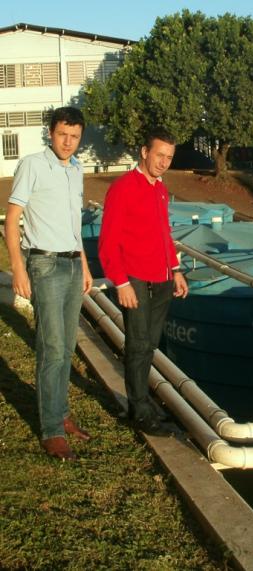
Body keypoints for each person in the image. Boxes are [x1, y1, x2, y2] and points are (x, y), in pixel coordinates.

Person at [5, 106, 94, 461]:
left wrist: (85, 265)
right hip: (44, 263)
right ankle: (51, 431)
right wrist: (18, 268)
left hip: (72, 264)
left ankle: (61, 414)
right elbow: (12, 220)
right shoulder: (32, 164)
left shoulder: (76, 170)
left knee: (66, 347)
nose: (68, 142)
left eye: (74, 137)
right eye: (62, 135)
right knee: (52, 348)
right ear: (50, 133)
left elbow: (75, 225)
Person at [98, 127, 188, 435]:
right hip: (135, 279)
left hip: (161, 278)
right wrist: (120, 282)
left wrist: (175, 270)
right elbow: (107, 241)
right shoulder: (123, 187)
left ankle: (144, 402)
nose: (164, 162)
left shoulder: (161, 188)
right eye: (160, 155)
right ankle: (138, 410)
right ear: (144, 152)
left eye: (169, 157)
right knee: (137, 345)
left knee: (150, 344)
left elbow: (164, 233)